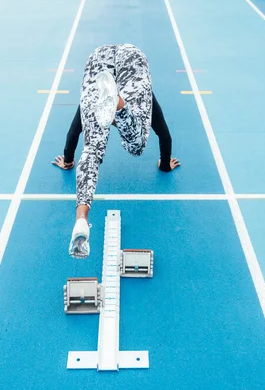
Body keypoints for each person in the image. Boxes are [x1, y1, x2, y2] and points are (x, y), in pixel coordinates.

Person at [60, 44, 180, 259]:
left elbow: (74, 132)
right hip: (132, 60)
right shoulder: (145, 96)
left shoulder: (95, 97)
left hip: (98, 64)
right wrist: (164, 165)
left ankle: (81, 218)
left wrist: (68, 159)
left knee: (92, 149)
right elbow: (165, 135)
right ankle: (120, 106)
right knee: (137, 145)